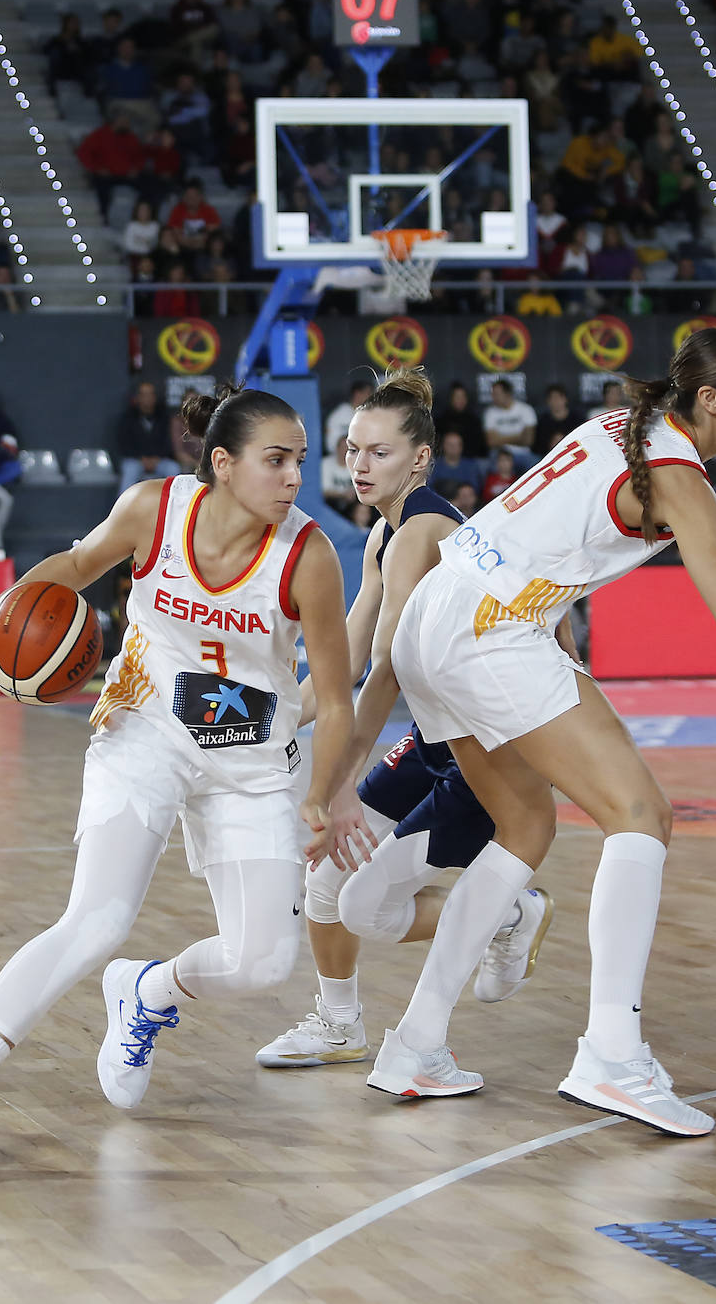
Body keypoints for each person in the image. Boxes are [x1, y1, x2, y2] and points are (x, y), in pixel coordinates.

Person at [0, 384, 357, 1180]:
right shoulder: (152, 510)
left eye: (299, 462)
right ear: (223, 463)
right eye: (276, 461)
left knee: (263, 963)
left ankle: (148, 990)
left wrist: (323, 796)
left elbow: (335, 702)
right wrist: (0, 610)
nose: (292, 478)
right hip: (145, 731)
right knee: (94, 918)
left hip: (248, 761)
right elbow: (72, 565)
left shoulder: (307, 556)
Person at [358, 328, 716, 1128]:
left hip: (439, 616)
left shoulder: (626, 423)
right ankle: (611, 1054)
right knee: (640, 815)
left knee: (522, 824)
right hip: (491, 627)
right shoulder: (681, 478)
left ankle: (414, 1044)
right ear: (709, 400)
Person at [256, 368, 556, 1071]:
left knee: (364, 906)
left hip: (489, 753)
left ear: (419, 458)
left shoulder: (425, 531)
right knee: (326, 878)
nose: (358, 465)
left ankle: (508, 914)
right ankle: (337, 1027)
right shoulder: (384, 536)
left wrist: (336, 782)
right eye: (352, 450)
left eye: (377, 452)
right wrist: (269, 727)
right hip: (435, 742)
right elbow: (345, 660)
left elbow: (385, 672)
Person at [116, 381, 178, 494]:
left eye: (150, 394)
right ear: (137, 397)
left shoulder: (163, 417)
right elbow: (124, 443)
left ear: (155, 397)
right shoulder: (128, 418)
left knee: (173, 468)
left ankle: (176, 507)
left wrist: (156, 458)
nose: (147, 398)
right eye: (144, 394)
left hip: (159, 460)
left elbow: (169, 442)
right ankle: (123, 508)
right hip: (136, 460)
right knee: (129, 470)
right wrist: (141, 459)